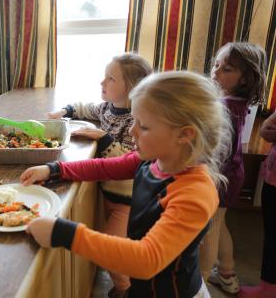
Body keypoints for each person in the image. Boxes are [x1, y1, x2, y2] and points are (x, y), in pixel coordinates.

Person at [21, 71, 232, 298]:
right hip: (143, 287)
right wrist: (55, 170)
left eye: (144, 126)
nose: (132, 131)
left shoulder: (195, 193)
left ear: (185, 135)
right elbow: (105, 167)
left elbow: (146, 259)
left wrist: (64, 233)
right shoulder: (153, 158)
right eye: (134, 122)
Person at [48, 53, 152, 296]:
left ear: (132, 89)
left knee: (112, 251)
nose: (102, 83)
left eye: (110, 79)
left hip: (127, 199)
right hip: (109, 193)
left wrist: (103, 139)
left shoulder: (135, 119)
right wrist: (65, 110)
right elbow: (88, 108)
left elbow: (131, 158)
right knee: (117, 244)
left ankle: (125, 290)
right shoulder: (108, 108)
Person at [198, 42, 267, 294]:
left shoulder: (225, 105)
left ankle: (201, 280)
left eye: (226, 69)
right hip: (231, 173)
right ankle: (227, 273)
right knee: (220, 223)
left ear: (246, 78)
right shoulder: (235, 101)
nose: (216, 72)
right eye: (216, 65)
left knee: (209, 228)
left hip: (221, 175)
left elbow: (220, 150)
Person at [238, 110, 276, 298]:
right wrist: (267, 129)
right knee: (271, 233)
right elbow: (266, 127)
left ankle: (269, 287)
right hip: (273, 178)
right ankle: (268, 285)